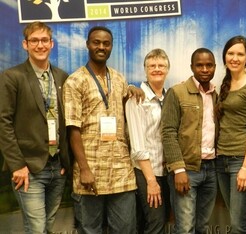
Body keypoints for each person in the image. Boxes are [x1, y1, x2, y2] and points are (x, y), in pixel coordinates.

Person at [63, 26, 141, 234]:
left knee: (126, 229)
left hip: (121, 171)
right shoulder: (75, 80)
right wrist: (85, 169)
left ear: (111, 47)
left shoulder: (118, 78)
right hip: (91, 171)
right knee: (90, 230)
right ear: (88, 44)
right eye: (96, 42)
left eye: (106, 43)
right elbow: (73, 129)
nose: (101, 47)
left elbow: (124, 107)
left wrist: (131, 90)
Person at [0, 21, 70, 234]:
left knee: (47, 227)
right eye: (34, 41)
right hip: (28, 169)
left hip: (57, 167)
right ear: (25, 44)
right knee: (37, 229)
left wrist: (65, 159)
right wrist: (17, 166)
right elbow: (4, 123)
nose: (40, 45)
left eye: (44, 40)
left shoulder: (62, 77)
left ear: (52, 44)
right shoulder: (12, 77)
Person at [161, 48, 218, 234]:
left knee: (202, 227)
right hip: (186, 170)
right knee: (185, 228)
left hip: (211, 169)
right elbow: (168, 132)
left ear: (215, 67)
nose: (204, 69)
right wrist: (178, 169)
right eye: (199, 65)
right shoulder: (177, 92)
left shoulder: (216, 95)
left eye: (209, 65)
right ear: (192, 67)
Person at [215, 35, 246, 233]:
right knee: (237, 219)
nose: (234, 58)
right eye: (230, 53)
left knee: (237, 224)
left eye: (240, 54)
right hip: (222, 160)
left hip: (244, 162)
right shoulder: (225, 85)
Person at [125, 48, 170, 234]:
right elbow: (137, 145)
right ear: (145, 69)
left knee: (160, 222)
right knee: (155, 225)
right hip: (146, 173)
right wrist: (151, 181)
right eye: (152, 65)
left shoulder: (170, 97)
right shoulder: (136, 99)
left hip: (167, 173)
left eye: (161, 65)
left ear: (168, 69)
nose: (157, 69)